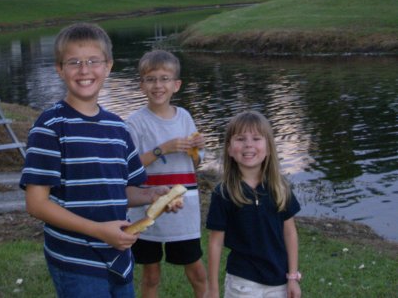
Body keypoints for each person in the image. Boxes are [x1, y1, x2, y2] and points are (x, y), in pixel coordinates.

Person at [19, 23, 179, 298]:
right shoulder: (51, 126)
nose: (84, 70)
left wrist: (153, 195)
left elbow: (122, 191)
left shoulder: (118, 129)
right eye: (74, 62)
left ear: (108, 66)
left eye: (94, 61)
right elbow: (36, 203)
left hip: (119, 256)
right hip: (75, 259)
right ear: (59, 69)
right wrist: (98, 231)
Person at [126, 49, 208, 298]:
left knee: (197, 272)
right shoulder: (135, 123)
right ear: (141, 85)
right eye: (151, 79)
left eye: (164, 79)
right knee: (150, 275)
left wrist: (196, 150)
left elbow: (196, 164)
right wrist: (164, 149)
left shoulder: (184, 117)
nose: (158, 85)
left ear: (176, 85)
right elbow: (129, 168)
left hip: (185, 208)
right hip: (147, 208)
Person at [205, 111, 301, 298]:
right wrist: (213, 288)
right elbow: (215, 243)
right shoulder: (223, 193)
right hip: (242, 282)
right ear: (229, 149)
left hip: (279, 280)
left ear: (269, 148)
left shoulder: (280, 188)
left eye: (256, 138)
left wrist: (292, 277)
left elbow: (290, 233)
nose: (248, 144)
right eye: (240, 139)